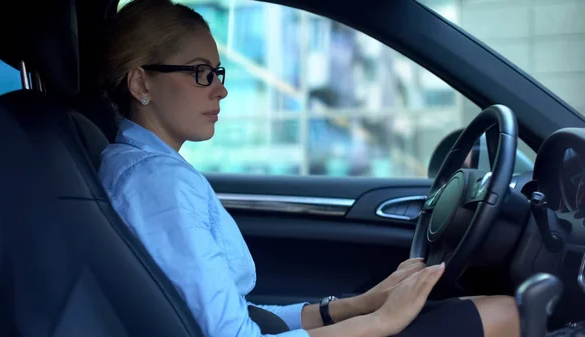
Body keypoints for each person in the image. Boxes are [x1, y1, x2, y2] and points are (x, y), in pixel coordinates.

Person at [97, 1, 520, 337]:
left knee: (472, 311)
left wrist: (361, 305)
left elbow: (241, 316)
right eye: (201, 74)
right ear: (140, 83)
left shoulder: (145, 168)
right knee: (503, 314)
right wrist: (381, 322)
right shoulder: (158, 185)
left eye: (218, 72)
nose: (222, 89)